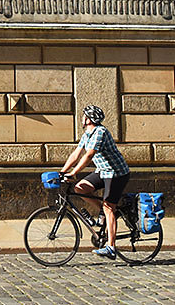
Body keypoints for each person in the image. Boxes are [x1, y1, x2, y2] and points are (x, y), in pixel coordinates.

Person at [60, 105, 131, 261]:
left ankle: (111, 247)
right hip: (102, 171)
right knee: (80, 188)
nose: (82, 118)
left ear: (89, 119)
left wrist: (74, 173)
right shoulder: (87, 134)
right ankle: (103, 213)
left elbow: (89, 155)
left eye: (84, 115)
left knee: (109, 207)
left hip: (116, 173)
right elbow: (76, 154)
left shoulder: (100, 132)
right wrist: (63, 171)